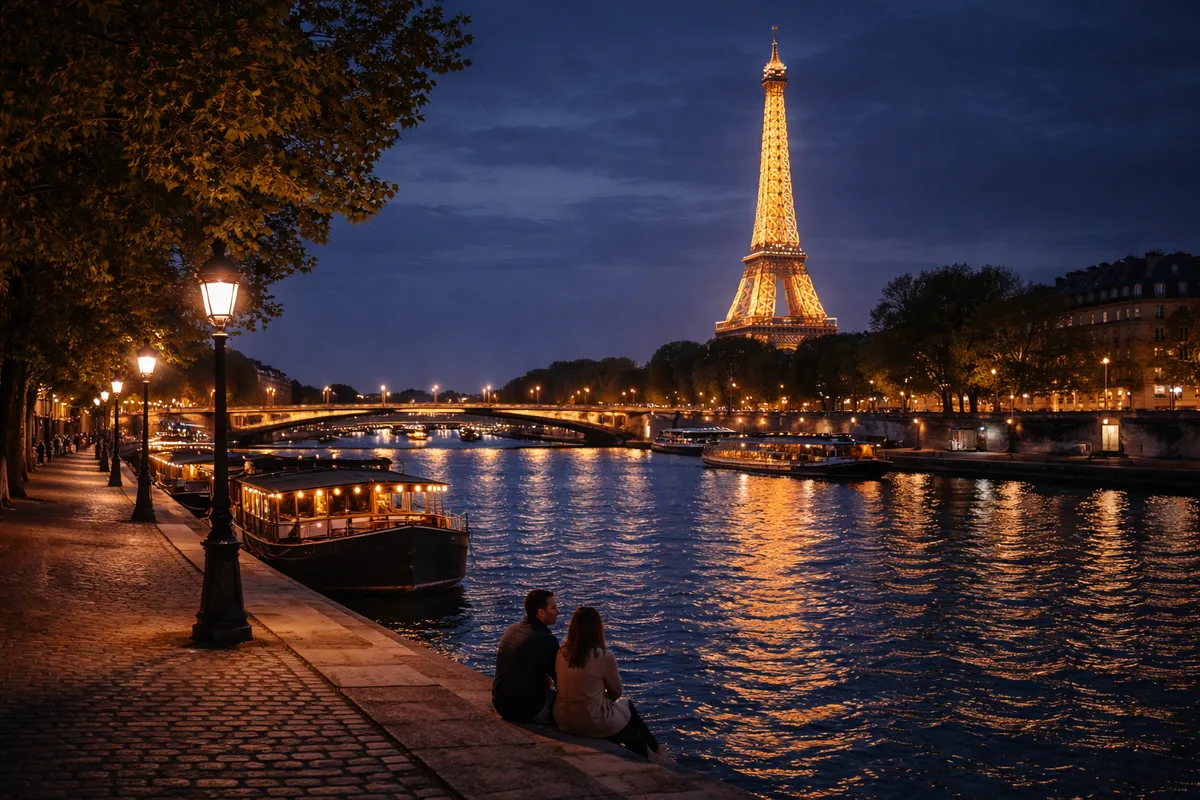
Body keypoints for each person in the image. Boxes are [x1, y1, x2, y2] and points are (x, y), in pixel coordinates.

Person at [554, 606, 669, 763]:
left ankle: (654, 750)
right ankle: (655, 752)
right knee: (630, 723)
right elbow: (616, 693)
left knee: (625, 721)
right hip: (589, 720)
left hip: (563, 718)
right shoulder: (603, 656)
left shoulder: (561, 653)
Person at [492, 589, 560, 724]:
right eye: (553, 608)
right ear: (541, 612)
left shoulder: (512, 630)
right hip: (527, 709)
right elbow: (560, 681)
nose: (557, 612)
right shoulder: (546, 639)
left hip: (501, 703)